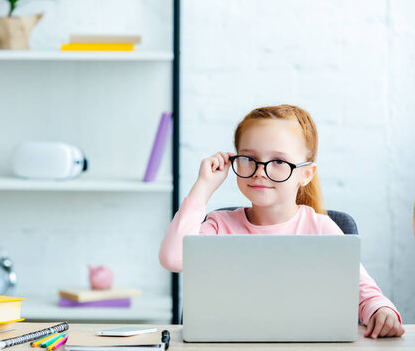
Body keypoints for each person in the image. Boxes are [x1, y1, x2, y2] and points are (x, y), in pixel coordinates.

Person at [159, 104, 405, 339]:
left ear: (306, 174)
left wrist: (380, 310)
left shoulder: (321, 228)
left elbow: (363, 291)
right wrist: (203, 187)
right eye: (248, 158)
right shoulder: (219, 225)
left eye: (278, 161)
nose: (259, 171)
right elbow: (173, 258)